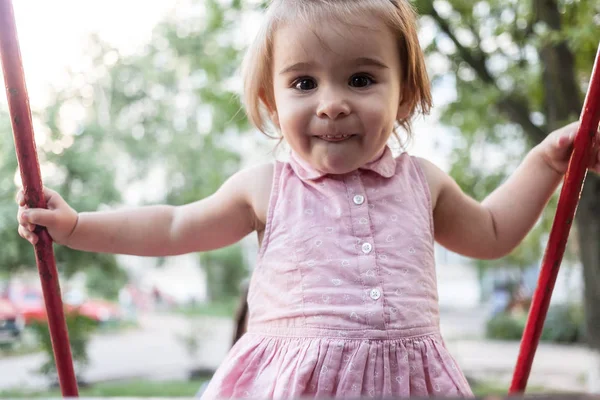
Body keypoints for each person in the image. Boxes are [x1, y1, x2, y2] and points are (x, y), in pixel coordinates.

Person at [16, 0, 600, 397]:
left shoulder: (424, 183)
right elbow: (172, 227)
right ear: (271, 103)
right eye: (303, 83)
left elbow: (494, 232)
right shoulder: (266, 187)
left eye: (361, 79)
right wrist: (75, 226)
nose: (331, 103)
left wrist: (547, 162)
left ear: (404, 97)